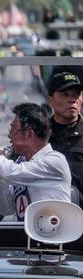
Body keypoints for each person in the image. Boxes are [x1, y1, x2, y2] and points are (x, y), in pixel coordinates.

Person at [0, 103, 72, 221]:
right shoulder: (20, 164)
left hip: (52, 237)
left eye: (13, 130)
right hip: (24, 236)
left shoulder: (54, 161)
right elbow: (5, 209)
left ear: (29, 134)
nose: (9, 136)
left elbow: (10, 172)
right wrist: (0, 174)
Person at [46, 72, 83, 205]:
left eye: (76, 95)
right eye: (65, 94)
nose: (72, 100)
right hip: (48, 214)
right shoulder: (39, 135)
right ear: (50, 100)